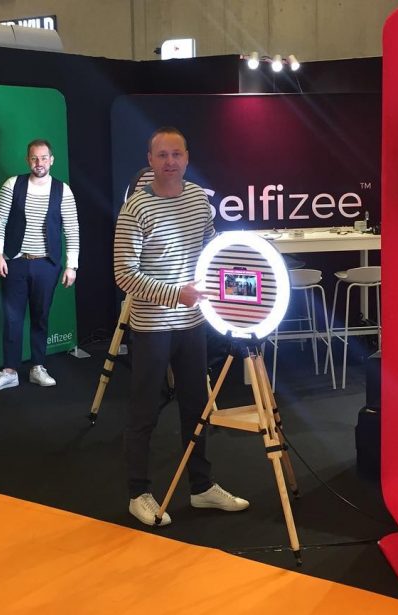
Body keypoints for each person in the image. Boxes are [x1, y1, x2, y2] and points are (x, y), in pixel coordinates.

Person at [113, 126, 249, 526]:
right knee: (144, 412)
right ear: (150, 161)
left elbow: (208, 248)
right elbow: (124, 274)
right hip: (154, 325)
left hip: (193, 323)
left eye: (177, 154)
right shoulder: (135, 209)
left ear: (187, 158)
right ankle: (138, 492)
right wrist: (176, 293)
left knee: (196, 406)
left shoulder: (197, 200)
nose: (170, 162)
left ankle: (202, 486)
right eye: (162, 155)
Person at [0, 139, 79, 392]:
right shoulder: (12, 185)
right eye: (35, 158)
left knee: (41, 317)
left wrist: (72, 265)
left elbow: (72, 229)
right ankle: (10, 371)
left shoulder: (63, 190)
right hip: (14, 262)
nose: (39, 163)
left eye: (44, 158)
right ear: (28, 160)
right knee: (12, 317)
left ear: (52, 160)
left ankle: (38, 367)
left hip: (47, 265)